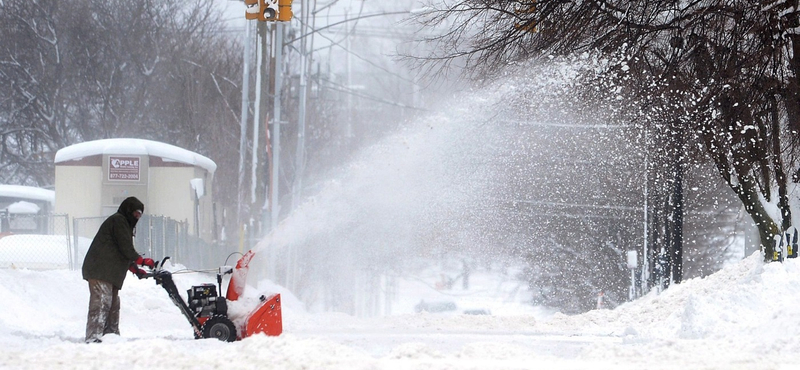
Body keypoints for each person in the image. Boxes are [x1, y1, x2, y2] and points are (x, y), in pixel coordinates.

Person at [82, 196, 154, 343]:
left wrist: (135, 269)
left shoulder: (125, 224)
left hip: (109, 272)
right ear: (129, 210)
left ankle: (111, 335)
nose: (137, 217)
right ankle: (93, 336)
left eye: (139, 214)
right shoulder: (119, 220)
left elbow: (121, 251)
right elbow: (125, 247)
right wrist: (141, 260)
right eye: (135, 213)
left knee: (113, 305)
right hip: (100, 269)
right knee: (102, 303)